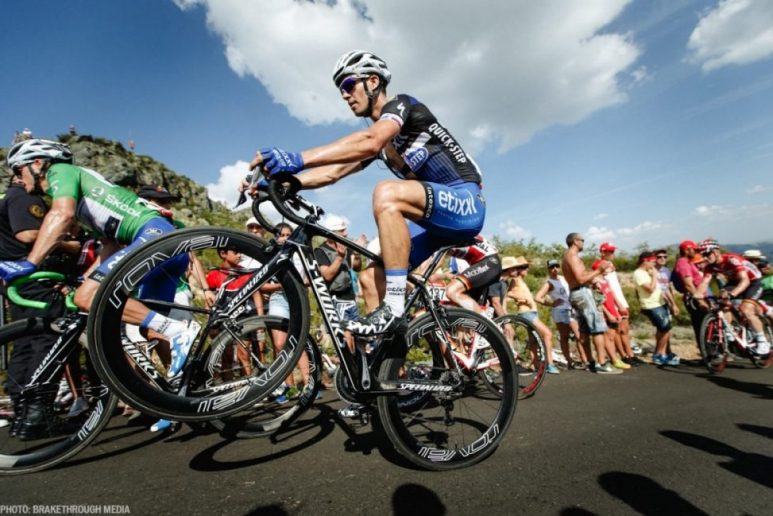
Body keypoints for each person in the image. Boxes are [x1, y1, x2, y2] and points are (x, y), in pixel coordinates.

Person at [249, 50, 485, 337]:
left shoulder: (403, 105)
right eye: (340, 91)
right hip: (434, 222)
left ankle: (395, 310)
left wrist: (296, 157)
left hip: (465, 202)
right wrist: (287, 183)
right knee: (372, 276)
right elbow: (332, 173)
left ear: (373, 82)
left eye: (348, 85)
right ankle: (387, 356)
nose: (345, 95)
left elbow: (370, 141)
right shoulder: (383, 146)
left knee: (387, 193)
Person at [0, 139, 200, 378]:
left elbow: (61, 215)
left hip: (153, 234)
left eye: (18, 169)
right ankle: (185, 395)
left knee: (89, 298)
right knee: (150, 328)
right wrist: (86, 279)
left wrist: (30, 263)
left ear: (38, 163)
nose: (18, 178)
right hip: (161, 245)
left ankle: (179, 330)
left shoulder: (59, 171)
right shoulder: (85, 199)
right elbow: (110, 246)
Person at [0, 174, 78, 439]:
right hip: (36, 280)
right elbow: (29, 233)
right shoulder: (24, 198)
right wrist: (67, 243)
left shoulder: (7, 199)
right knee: (47, 339)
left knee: (25, 342)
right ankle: (38, 412)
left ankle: (22, 411)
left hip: (18, 281)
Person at [561, 233, 622, 374]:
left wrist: (596, 277)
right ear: (576, 241)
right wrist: (599, 270)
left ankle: (590, 362)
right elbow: (581, 279)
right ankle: (602, 363)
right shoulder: (573, 256)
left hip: (576, 293)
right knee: (598, 328)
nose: (583, 243)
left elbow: (580, 276)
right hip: (582, 293)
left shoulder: (567, 257)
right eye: (582, 240)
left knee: (584, 330)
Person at [699, 239, 769, 356]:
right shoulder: (710, 266)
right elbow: (704, 283)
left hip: (752, 282)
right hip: (735, 282)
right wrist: (697, 295)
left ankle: (763, 341)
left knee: (745, 310)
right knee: (722, 303)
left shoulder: (732, 259)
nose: (705, 258)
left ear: (716, 252)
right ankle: (730, 329)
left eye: (707, 254)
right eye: (703, 255)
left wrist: (732, 294)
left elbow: (745, 280)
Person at [504, 257, 560, 374]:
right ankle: (550, 364)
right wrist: (522, 298)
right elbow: (508, 294)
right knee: (547, 334)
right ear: (518, 269)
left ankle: (535, 364)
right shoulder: (516, 280)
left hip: (530, 312)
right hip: (526, 312)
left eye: (526, 267)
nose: (526, 269)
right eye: (523, 267)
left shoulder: (521, 281)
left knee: (533, 339)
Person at [535, 259, 586, 369]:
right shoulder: (549, 283)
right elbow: (538, 297)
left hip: (571, 309)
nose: (555, 269)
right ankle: (569, 361)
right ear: (548, 269)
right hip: (560, 311)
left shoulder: (564, 279)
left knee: (578, 335)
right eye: (552, 267)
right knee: (564, 336)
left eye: (556, 266)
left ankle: (584, 360)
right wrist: (552, 303)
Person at [633, 251, 679, 366]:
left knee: (663, 329)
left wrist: (671, 303)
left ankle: (661, 353)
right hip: (651, 305)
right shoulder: (638, 273)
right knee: (665, 329)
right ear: (645, 261)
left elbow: (661, 289)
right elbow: (650, 289)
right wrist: (654, 275)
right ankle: (658, 355)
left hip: (660, 303)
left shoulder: (647, 272)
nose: (653, 264)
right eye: (652, 262)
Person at [598, 242, 636, 355]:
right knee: (620, 330)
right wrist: (618, 303)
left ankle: (628, 354)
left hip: (620, 299)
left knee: (624, 329)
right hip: (615, 302)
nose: (612, 254)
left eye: (613, 251)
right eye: (610, 251)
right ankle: (627, 355)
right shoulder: (601, 267)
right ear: (603, 252)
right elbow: (608, 288)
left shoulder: (610, 266)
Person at [672, 240, 709, 342]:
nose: (696, 252)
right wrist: (700, 301)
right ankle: (708, 354)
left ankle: (710, 352)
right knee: (702, 326)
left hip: (699, 296)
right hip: (695, 299)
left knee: (705, 325)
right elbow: (688, 284)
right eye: (694, 249)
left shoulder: (688, 262)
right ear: (687, 250)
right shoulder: (683, 263)